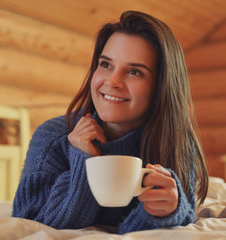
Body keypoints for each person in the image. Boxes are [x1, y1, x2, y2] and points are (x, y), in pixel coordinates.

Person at [12, 10, 209, 234]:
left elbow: (181, 219)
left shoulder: (176, 144)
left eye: (134, 71)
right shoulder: (53, 136)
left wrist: (163, 214)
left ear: (161, 87)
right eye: (106, 65)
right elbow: (29, 224)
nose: (112, 81)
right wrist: (84, 161)